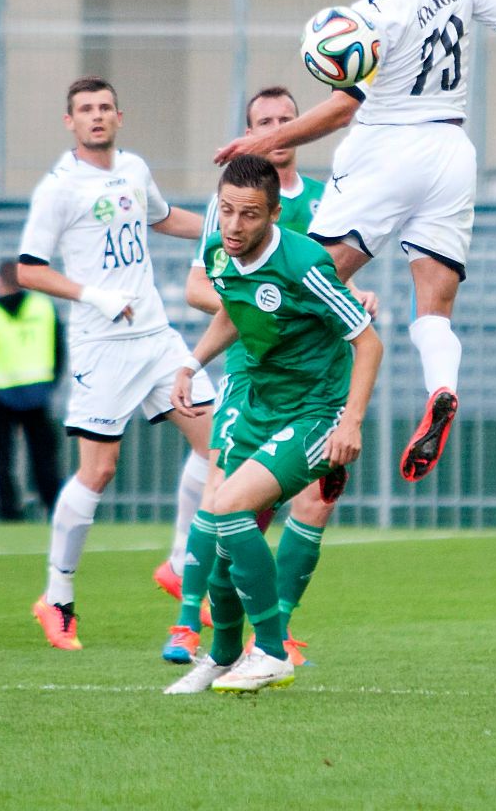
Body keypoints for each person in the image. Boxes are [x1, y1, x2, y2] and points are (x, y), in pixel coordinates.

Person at [215, 0, 496, 481]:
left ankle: (311, 422)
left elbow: (343, 108)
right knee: (432, 311)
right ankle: (440, 389)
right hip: (451, 152)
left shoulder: (374, 14)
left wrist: (266, 138)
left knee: (304, 282)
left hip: (386, 150)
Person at [157, 86, 369, 666]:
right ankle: (190, 623)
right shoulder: (230, 209)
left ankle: (272, 637)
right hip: (253, 375)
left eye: (285, 119)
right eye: (263, 121)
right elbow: (214, 290)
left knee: (306, 506)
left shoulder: (327, 201)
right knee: (224, 498)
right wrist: (202, 354)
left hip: (312, 387)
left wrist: (349, 299)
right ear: (250, 133)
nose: (275, 128)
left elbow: (329, 292)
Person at [17, 75, 215, 650]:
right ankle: (56, 597)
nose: (96, 116)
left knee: (219, 444)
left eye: (105, 107)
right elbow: (29, 267)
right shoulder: (59, 188)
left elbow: (161, 218)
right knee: (98, 471)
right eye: (85, 109)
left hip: (156, 337)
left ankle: (179, 563)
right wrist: (93, 295)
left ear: (119, 117)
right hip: (101, 346)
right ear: (70, 122)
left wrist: (221, 226)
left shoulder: (133, 168)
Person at [0, 259, 64, 520]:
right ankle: (54, 507)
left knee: (2, 457)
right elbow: (59, 350)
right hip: (38, 391)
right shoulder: (43, 308)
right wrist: (50, 382)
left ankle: (8, 512)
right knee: (44, 456)